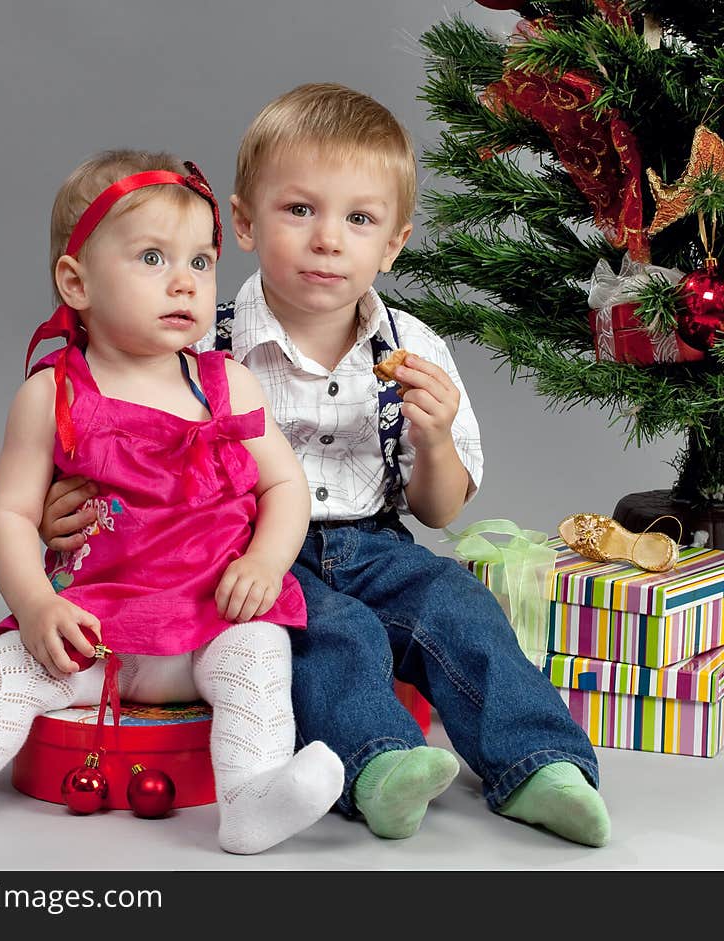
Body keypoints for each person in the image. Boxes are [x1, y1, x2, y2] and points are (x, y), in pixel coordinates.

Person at [40, 85, 612, 848]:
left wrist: (434, 437)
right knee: (327, 633)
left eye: (360, 219)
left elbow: (438, 511)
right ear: (242, 222)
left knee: (456, 605)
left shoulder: (412, 347)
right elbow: (115, 446)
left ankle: (541, 762)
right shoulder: (197, 346)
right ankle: (381, 766)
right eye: (299, 210)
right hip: (243, 549)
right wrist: (60, 511)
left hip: (376, 542)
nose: (328, 240)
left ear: (394, 242)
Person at [0, 149, 345, 854]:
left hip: (210, 615)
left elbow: (284, 483)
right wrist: (34, 604)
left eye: (202, 263)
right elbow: (11, 513)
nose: (184, 281)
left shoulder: (227, 384)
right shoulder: (50, 395)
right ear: (75, 282)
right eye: (152, 258)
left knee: (259, 651)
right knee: (10, 666)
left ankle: (250, 795)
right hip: (94, 630)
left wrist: (267, 561)